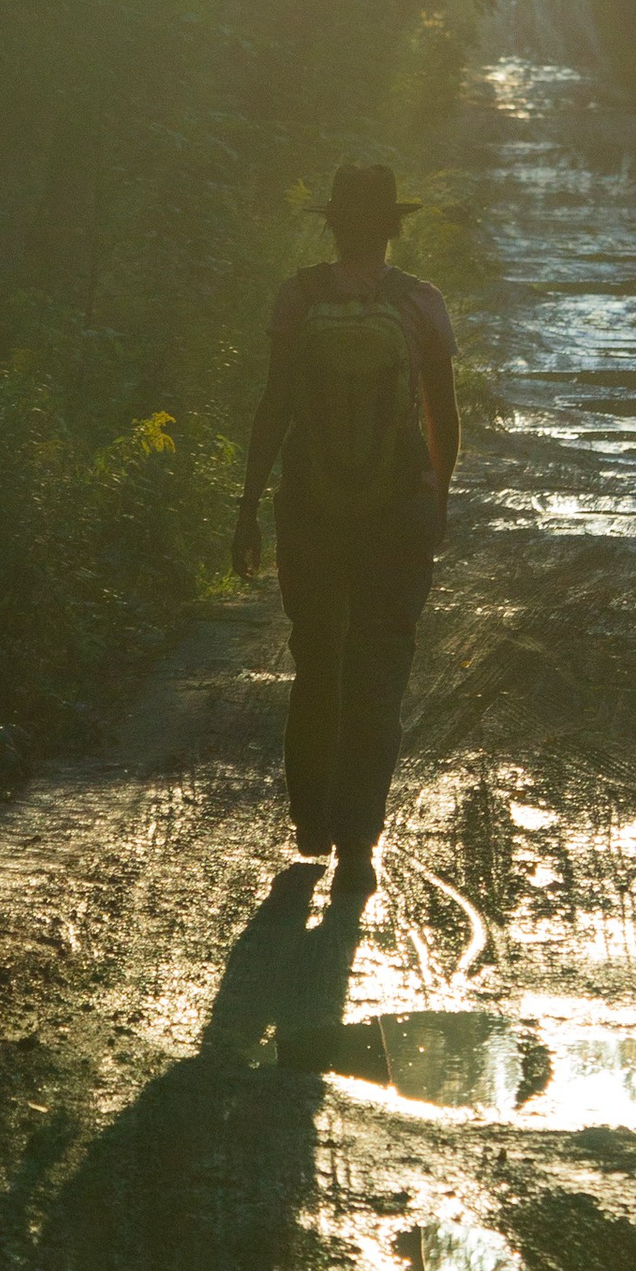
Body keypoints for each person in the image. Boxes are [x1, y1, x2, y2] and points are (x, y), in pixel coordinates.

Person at [231, 160, 459, 886]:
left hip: (310, 504)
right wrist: (435, 502)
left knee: (317, 661)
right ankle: (360, 834)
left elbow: (275, 405)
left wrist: (248, 507)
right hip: (397, 508)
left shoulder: (299, 298)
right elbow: (443, 417)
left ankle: (311, 825)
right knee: (380, 667)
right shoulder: (421, 302)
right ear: (393, 228)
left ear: (332, 226)